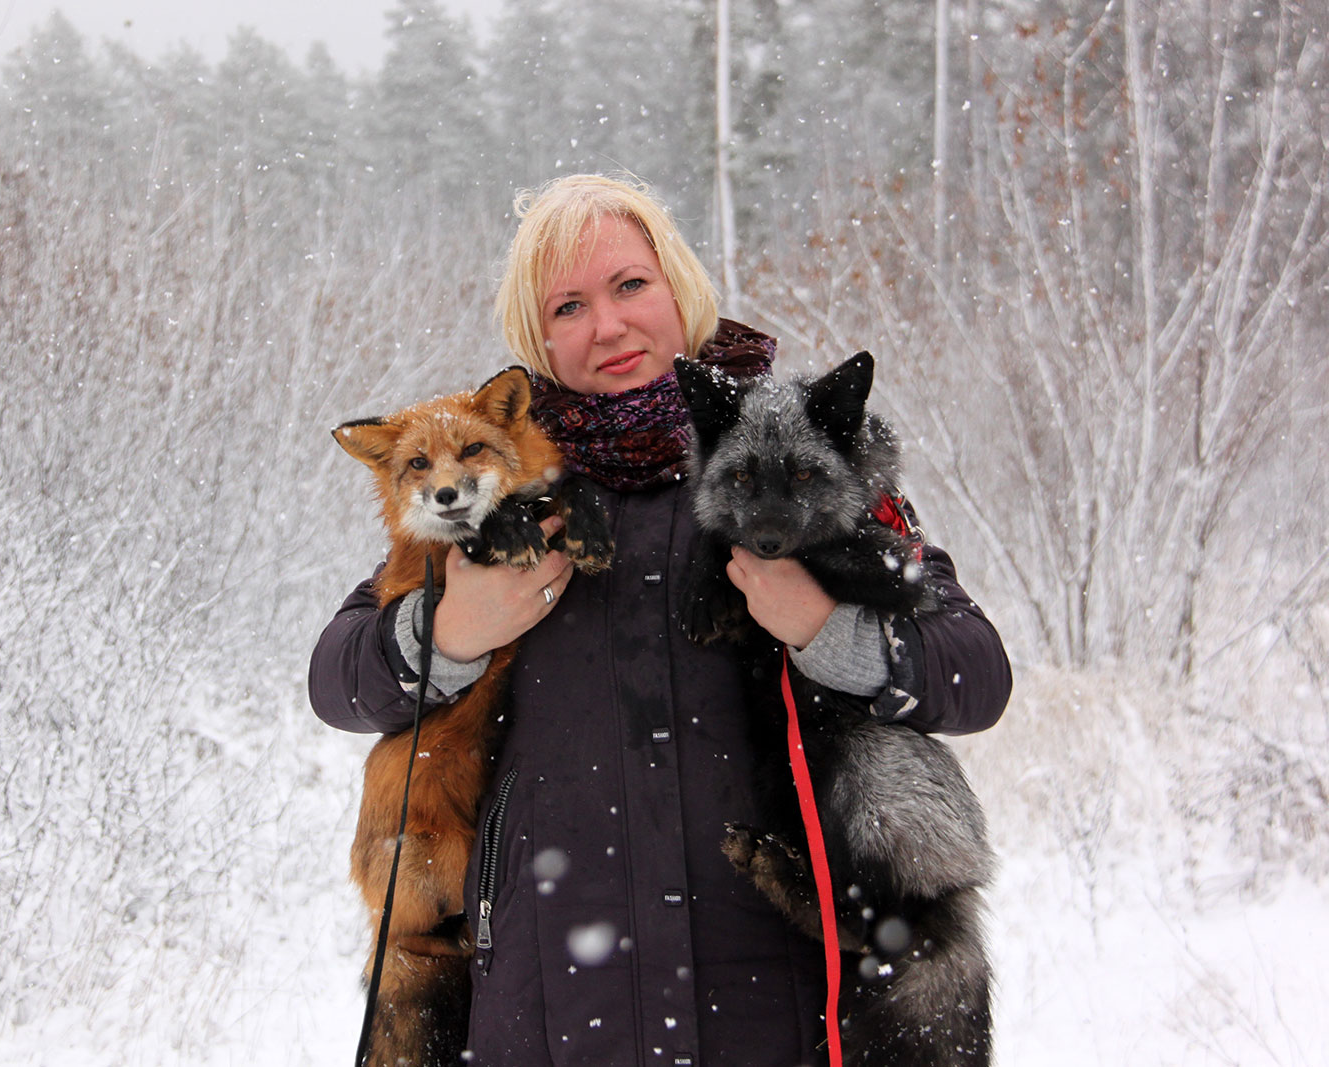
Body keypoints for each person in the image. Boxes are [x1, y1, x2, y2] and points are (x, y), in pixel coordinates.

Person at [309, 173, 1010, 1065]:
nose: (607, 325)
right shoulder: (501, 493)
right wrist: (449, 633)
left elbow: (972, 670)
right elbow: (337, 677)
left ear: (679, 286)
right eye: (568, 306)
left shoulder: (785, 466)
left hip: (775, 995)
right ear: (538, 338)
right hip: (545, 1005)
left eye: (630, 286)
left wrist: (822, 627)